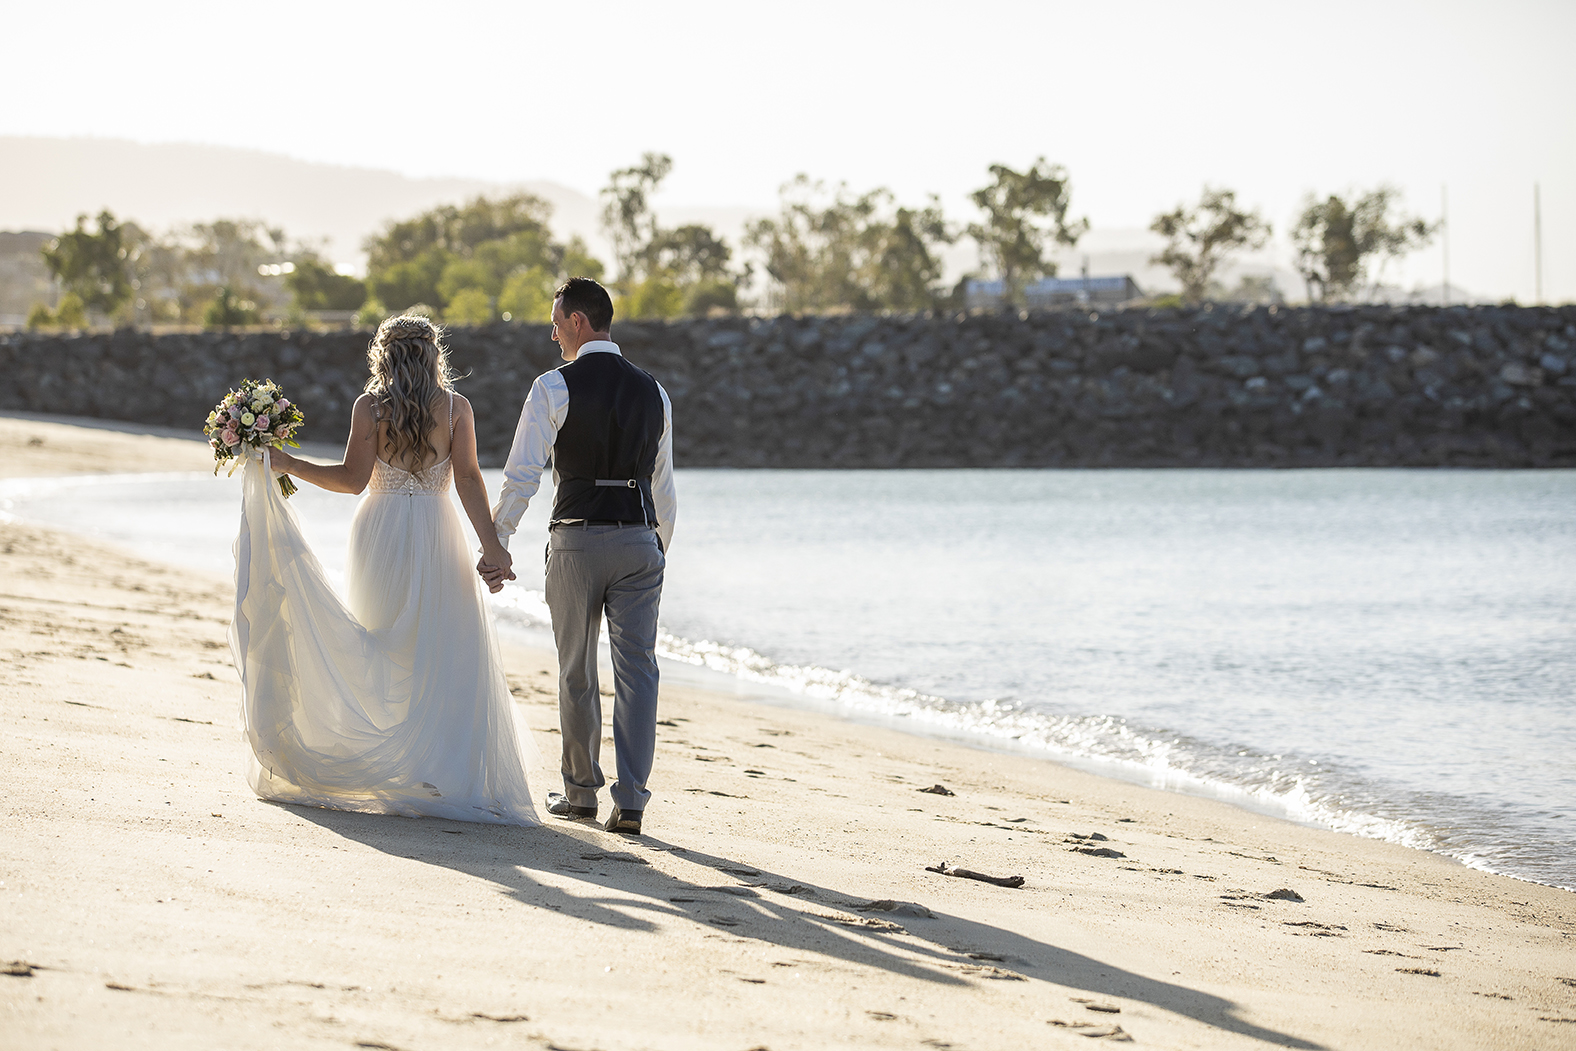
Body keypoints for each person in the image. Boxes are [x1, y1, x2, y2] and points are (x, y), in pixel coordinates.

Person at [233, 314, 539, 825]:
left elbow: (353, 481)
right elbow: (466, 479)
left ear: (385, 354)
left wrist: (288, 463)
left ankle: (394, 759)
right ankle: (436, 772)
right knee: (443, 646)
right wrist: (492, 547)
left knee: (380, 641)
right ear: (432, 354)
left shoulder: (370, 407)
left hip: (381, 531)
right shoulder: (457, 408)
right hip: (440, 532)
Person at [484, 277, 676, 836]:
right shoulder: (654, 392)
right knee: (639, 670)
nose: (551, 332)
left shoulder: (552, 387)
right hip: (640, 541)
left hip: (576, 539)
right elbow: (663, 484)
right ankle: (633, 801)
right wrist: (659, 545)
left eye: (556, 320)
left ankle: (581, 793)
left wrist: (499, 542)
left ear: (578, 322)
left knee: (576, 668)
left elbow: (523, 472)